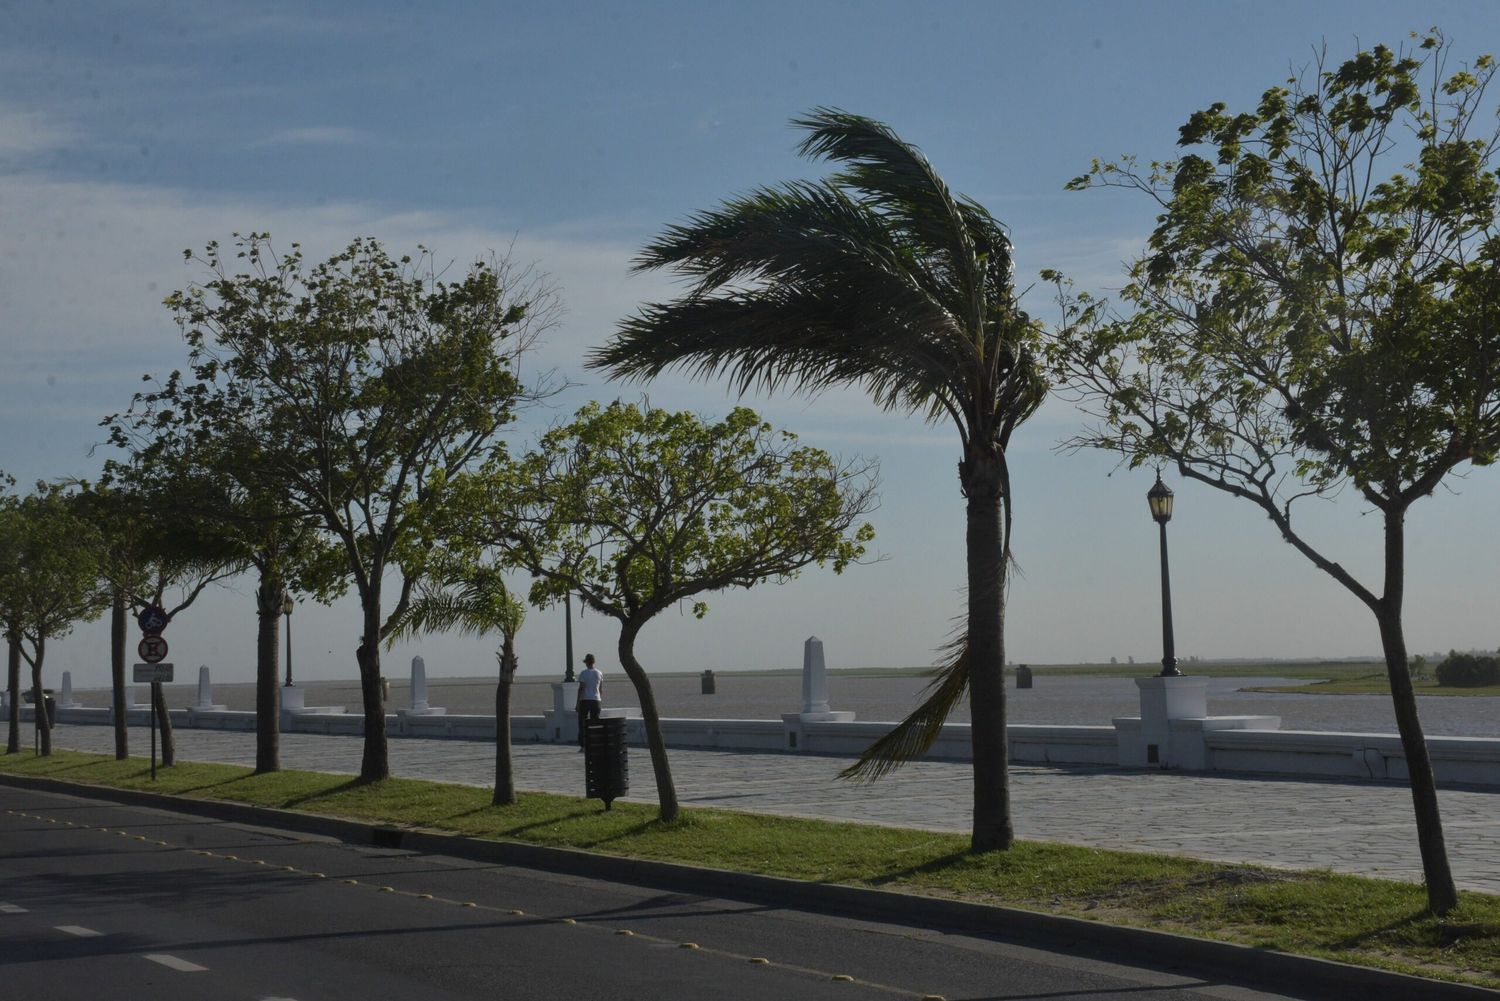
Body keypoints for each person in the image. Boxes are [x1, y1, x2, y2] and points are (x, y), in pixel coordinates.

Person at [576, 653, 603, 750]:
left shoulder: (583, 673)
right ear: (594, 662)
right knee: (595, 723)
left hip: (585, 700)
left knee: (583, 723)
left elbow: (581, 689)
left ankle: (583, 745)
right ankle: (595, 743)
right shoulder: (599, 673)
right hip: (596, 700)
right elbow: (600, 690)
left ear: (586, 663)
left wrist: (577, 703)